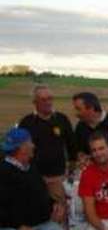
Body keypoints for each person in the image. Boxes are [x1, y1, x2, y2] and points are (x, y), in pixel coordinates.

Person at [18, 84, 77, 214]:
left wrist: (71, 171)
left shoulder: (62, 119)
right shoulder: (26, 122)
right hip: (33, 179)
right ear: (35, 102)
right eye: (44, 99)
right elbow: (19, 152)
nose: (48, 102)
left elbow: (72, 147)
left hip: (57, 179)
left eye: (50, 98)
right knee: (33, 212)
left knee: (59, 213)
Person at [73, 92, 108, 166]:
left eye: (78, 109)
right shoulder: (80, 126)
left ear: (91, 108)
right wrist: (82, 157)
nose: (76, 113)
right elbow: (79, 150)